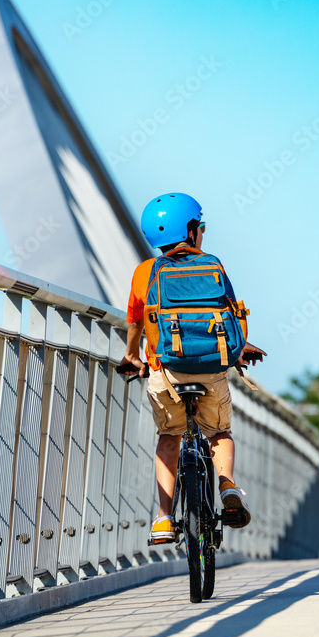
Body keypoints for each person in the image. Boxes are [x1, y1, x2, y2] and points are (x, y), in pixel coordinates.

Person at [121, 192, 265, 543]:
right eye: (199, 226)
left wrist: (132, 357)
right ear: (190, 231)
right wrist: (238, 349)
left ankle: (164, 518)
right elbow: (231, 312)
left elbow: (137, 323)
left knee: (170, 436)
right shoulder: (213, 266)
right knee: (219, 433)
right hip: (211, 369)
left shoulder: (145, 272)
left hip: (166, 372)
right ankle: (227, 485)